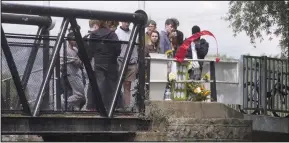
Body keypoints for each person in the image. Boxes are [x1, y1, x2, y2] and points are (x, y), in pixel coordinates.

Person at [85, 19, 121, 111]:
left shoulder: (93, 34)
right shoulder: (112, 35)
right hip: (111, 62)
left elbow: (90, 49)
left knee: (100, 84)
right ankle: (113, 106)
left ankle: (100, 106)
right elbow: (117, 49)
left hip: (98, 62)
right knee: (113, 85)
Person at [115, 22, 138, 112]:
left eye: (128, 22)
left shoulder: (132, 32)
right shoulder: (117, 32)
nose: (127, 24)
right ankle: (118, 105)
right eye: (125, 22)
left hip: (132, 62)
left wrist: (136, 60)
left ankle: (127, 106)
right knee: (118, 84)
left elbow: (136, 47)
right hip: (120, 61)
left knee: (128, 85)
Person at [59, 32, 86, 111]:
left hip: (77, 73)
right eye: (74, 39)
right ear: (70, 40)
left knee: (82, 98)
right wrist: (77, 61)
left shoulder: (75, 49)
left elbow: (78, 62)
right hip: (71, 74)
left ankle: (72, 107)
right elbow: (77, 62)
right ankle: (64, 103)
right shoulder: (66, 51)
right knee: (79, 95)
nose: (76, 41)